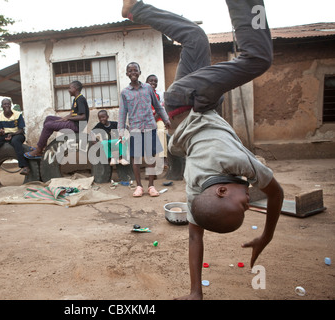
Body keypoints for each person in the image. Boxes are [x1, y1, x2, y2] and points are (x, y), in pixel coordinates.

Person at [121, 0, 284, 300]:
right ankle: (135, 9)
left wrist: (267, 234)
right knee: (195, 37)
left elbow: (277, 194)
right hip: (189, 104)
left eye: (242, 206)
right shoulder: (196, 190)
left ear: (222, 192)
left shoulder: (238, 163)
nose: (249, 203)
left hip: (193, 101)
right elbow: (195, 236)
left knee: (258, 59)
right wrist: (195, 293)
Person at [118, 61, 171, 197]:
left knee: (150, 158)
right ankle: (139, 187)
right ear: (127, 74)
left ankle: (151, 186)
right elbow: (122, 114)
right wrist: (121, 131)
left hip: (149, 126)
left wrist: (166, 119)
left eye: (135, 70)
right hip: (135, 128)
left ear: (140, 73)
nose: (133, 73)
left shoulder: (148, 88)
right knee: (136, 159)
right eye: (130, 71)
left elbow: (158, 106)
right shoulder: (125, 93)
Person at [25, 81, 89, 160]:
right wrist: (63, 118)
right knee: (49, 118)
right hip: (73, 122)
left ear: (75, 89)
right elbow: (72, 114)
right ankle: (42, 145)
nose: (68, 90)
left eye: (70, 88)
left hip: (77, 126)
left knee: (48, 125)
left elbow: (83, 116)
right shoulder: (76, 99)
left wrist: (68, 118)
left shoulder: (80, 99)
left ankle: (39, 150)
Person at [0, 98, 30, 177]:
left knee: (15, 142)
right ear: (2, 106)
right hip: (5, 136)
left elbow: (21, 130)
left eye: (8, 104)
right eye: (5, 104)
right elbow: (0, 130)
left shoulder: (18, 114)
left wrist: (12, 134)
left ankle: (25, 167)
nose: (7, 105)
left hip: (17, 135)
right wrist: (1, 132)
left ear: (11, 105)